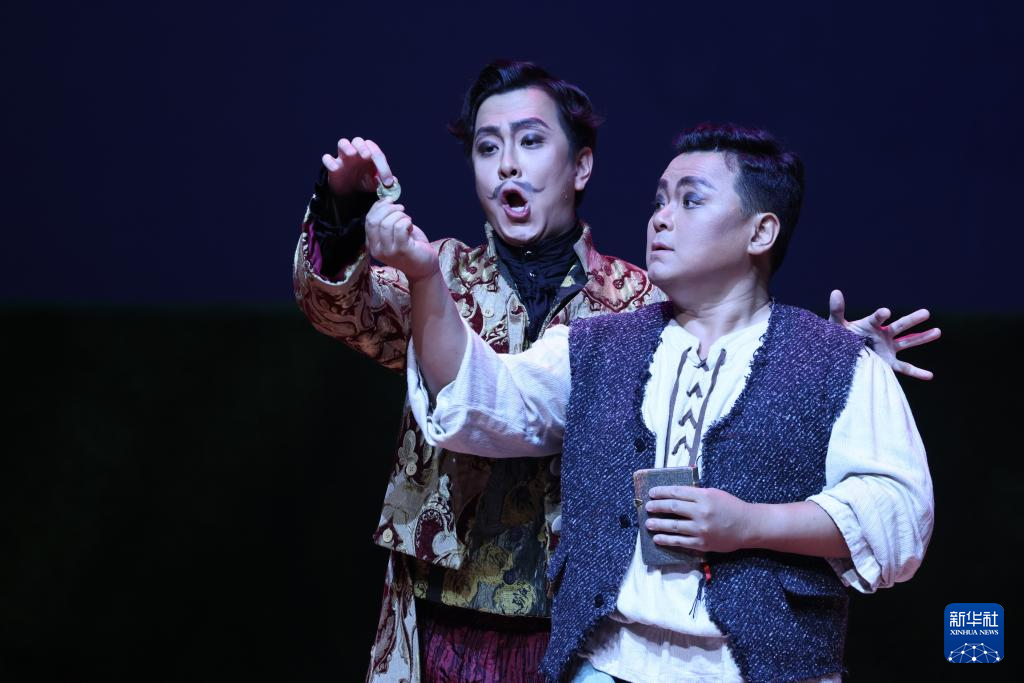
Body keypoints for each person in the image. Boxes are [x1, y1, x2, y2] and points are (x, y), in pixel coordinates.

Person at [293, 59, 938, 681]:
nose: (508, 163)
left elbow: (741, 336)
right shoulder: (458, 279)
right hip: (459, 603)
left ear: (581, 166)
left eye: (531, 141)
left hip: (590, 622)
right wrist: (359, 226)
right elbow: (367, 323)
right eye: (488, 148)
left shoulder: (637, 298)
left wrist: (826, 359)